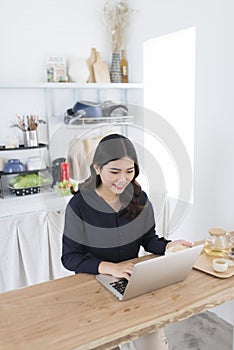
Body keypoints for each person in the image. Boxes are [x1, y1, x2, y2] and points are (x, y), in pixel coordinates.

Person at [61, 133, 193, 350]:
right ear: (97, 168)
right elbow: (70, 257)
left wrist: (169, 246)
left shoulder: (139, 199)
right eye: (114, 172)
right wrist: (111, 268)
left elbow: (149, 239)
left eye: (129, 171)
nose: (122, 179)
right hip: (95, 288)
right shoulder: (79, 205)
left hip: (131, 282)